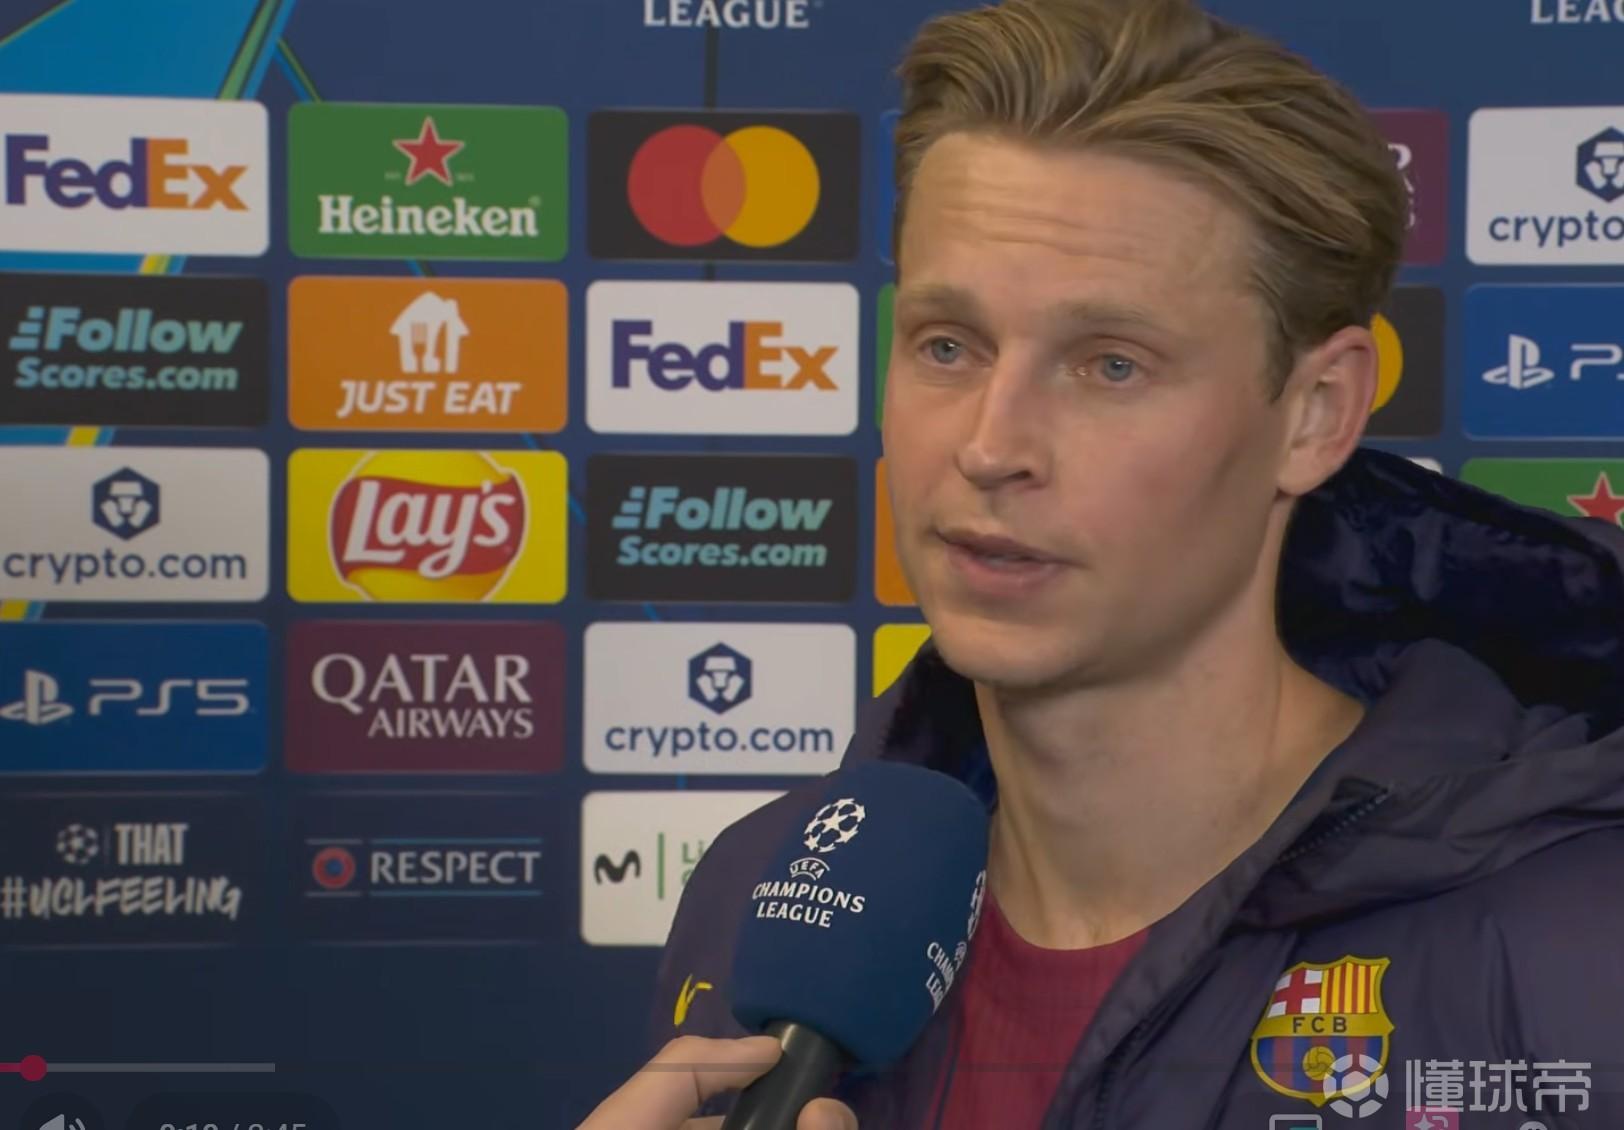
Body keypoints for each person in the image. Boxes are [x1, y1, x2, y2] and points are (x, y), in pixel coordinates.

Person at [586, 0, 1624, 1125]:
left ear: (1317, 413)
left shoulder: (1576, 940)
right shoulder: (766, 891)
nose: (991, 446)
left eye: (1111, 365)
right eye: (948, 345)